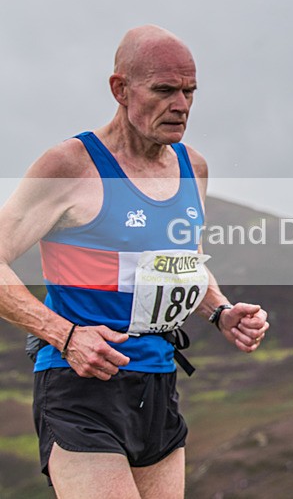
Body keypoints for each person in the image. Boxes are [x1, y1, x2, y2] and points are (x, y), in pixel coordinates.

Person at [0, 25, 269, 498]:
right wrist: (65, 335)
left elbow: (180, 261)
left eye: (189, 91)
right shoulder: (71, 165)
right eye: (164, 90)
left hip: (158, 384)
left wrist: (220, 311)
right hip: (80, 384)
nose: (181, 105)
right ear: (120, 89)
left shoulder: (193, 167)